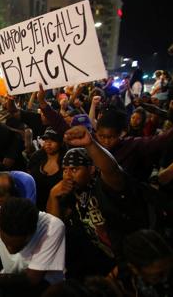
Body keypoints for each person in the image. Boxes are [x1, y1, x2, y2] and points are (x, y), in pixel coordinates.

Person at [47, 127, 149, 280]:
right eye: (65, 170)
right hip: (100, 260)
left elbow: (112, 170)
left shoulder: (102, 187)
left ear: (92, 169)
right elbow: (56, 230)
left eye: (74, 169)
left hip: (134, 258)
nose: (68, 175)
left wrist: (91, 144)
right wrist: (53, 196)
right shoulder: (71, 193)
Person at [0, 198, 66, 297]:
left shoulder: (53, 228)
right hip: (10, 278)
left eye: (19, 246)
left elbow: (31, 279)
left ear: (32, 232)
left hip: (45, 286)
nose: (10, 250)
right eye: (6, 243)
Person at [109, 229, 172, 297]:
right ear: (134, 268)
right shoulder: (121, 282)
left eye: (170, 269)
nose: (166, 278)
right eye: (159, 275)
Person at [27, 128, 65, 211]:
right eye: (46, 140)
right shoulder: (36, 157)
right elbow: (28, 179)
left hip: (57, 207)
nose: (48, 144)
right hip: (34, 205)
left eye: (53, 140)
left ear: (60, 143)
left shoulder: (66, 160)